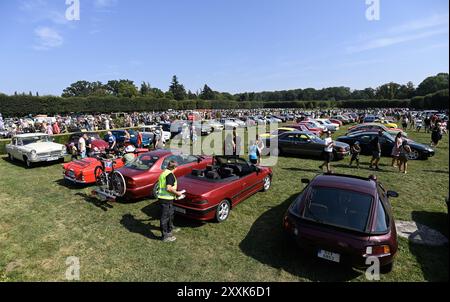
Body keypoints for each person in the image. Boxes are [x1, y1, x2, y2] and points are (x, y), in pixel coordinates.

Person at [158, 160, 184, 242]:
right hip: (166, 199)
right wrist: (178, 193)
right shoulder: (170, 175)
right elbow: (168, 188)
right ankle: (165, 236)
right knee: (165, 217)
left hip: (165, 198)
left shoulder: (164, 172)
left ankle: (170, 228)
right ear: (175, 167)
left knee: (170, 214)